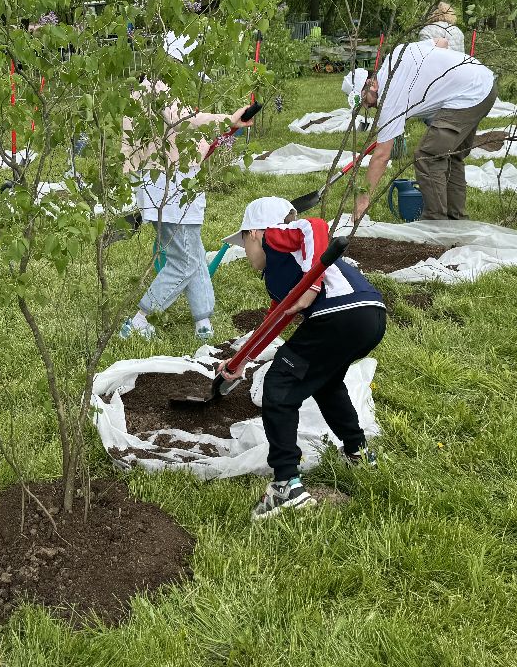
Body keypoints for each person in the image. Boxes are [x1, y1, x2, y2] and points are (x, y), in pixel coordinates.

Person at [220, 197, 386, 520]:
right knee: (325, 382)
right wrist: (239, 362)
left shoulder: (275, 238)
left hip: (341, 311)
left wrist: (314, 283)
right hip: (370, 316)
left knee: (279, 383)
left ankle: (286, 485)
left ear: (254, 233)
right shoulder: (277, 278)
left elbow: (316, 226)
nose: (244, 251)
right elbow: (275, 322)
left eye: (242, 241)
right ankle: (358, 452)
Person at [120, 83, 250, 342]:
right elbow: (182, 121)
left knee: (194, 253)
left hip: (166, 187)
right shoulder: (156, 86)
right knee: (185, 261)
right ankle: (140, 320)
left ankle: (203, 318)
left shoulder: (149, 85)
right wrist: (227, 120)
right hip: (171, 188)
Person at [353, 42, 497, 223]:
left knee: (428, 156)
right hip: (483, 82)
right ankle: (456, 221)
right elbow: (441, 41)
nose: (368, 107)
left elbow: (382, 156)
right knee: (451, 155)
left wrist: (363, 199)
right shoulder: (396, 55)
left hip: (469, 94)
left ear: (371, 84)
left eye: (365, 102)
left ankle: (435, 223)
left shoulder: (389, 95)